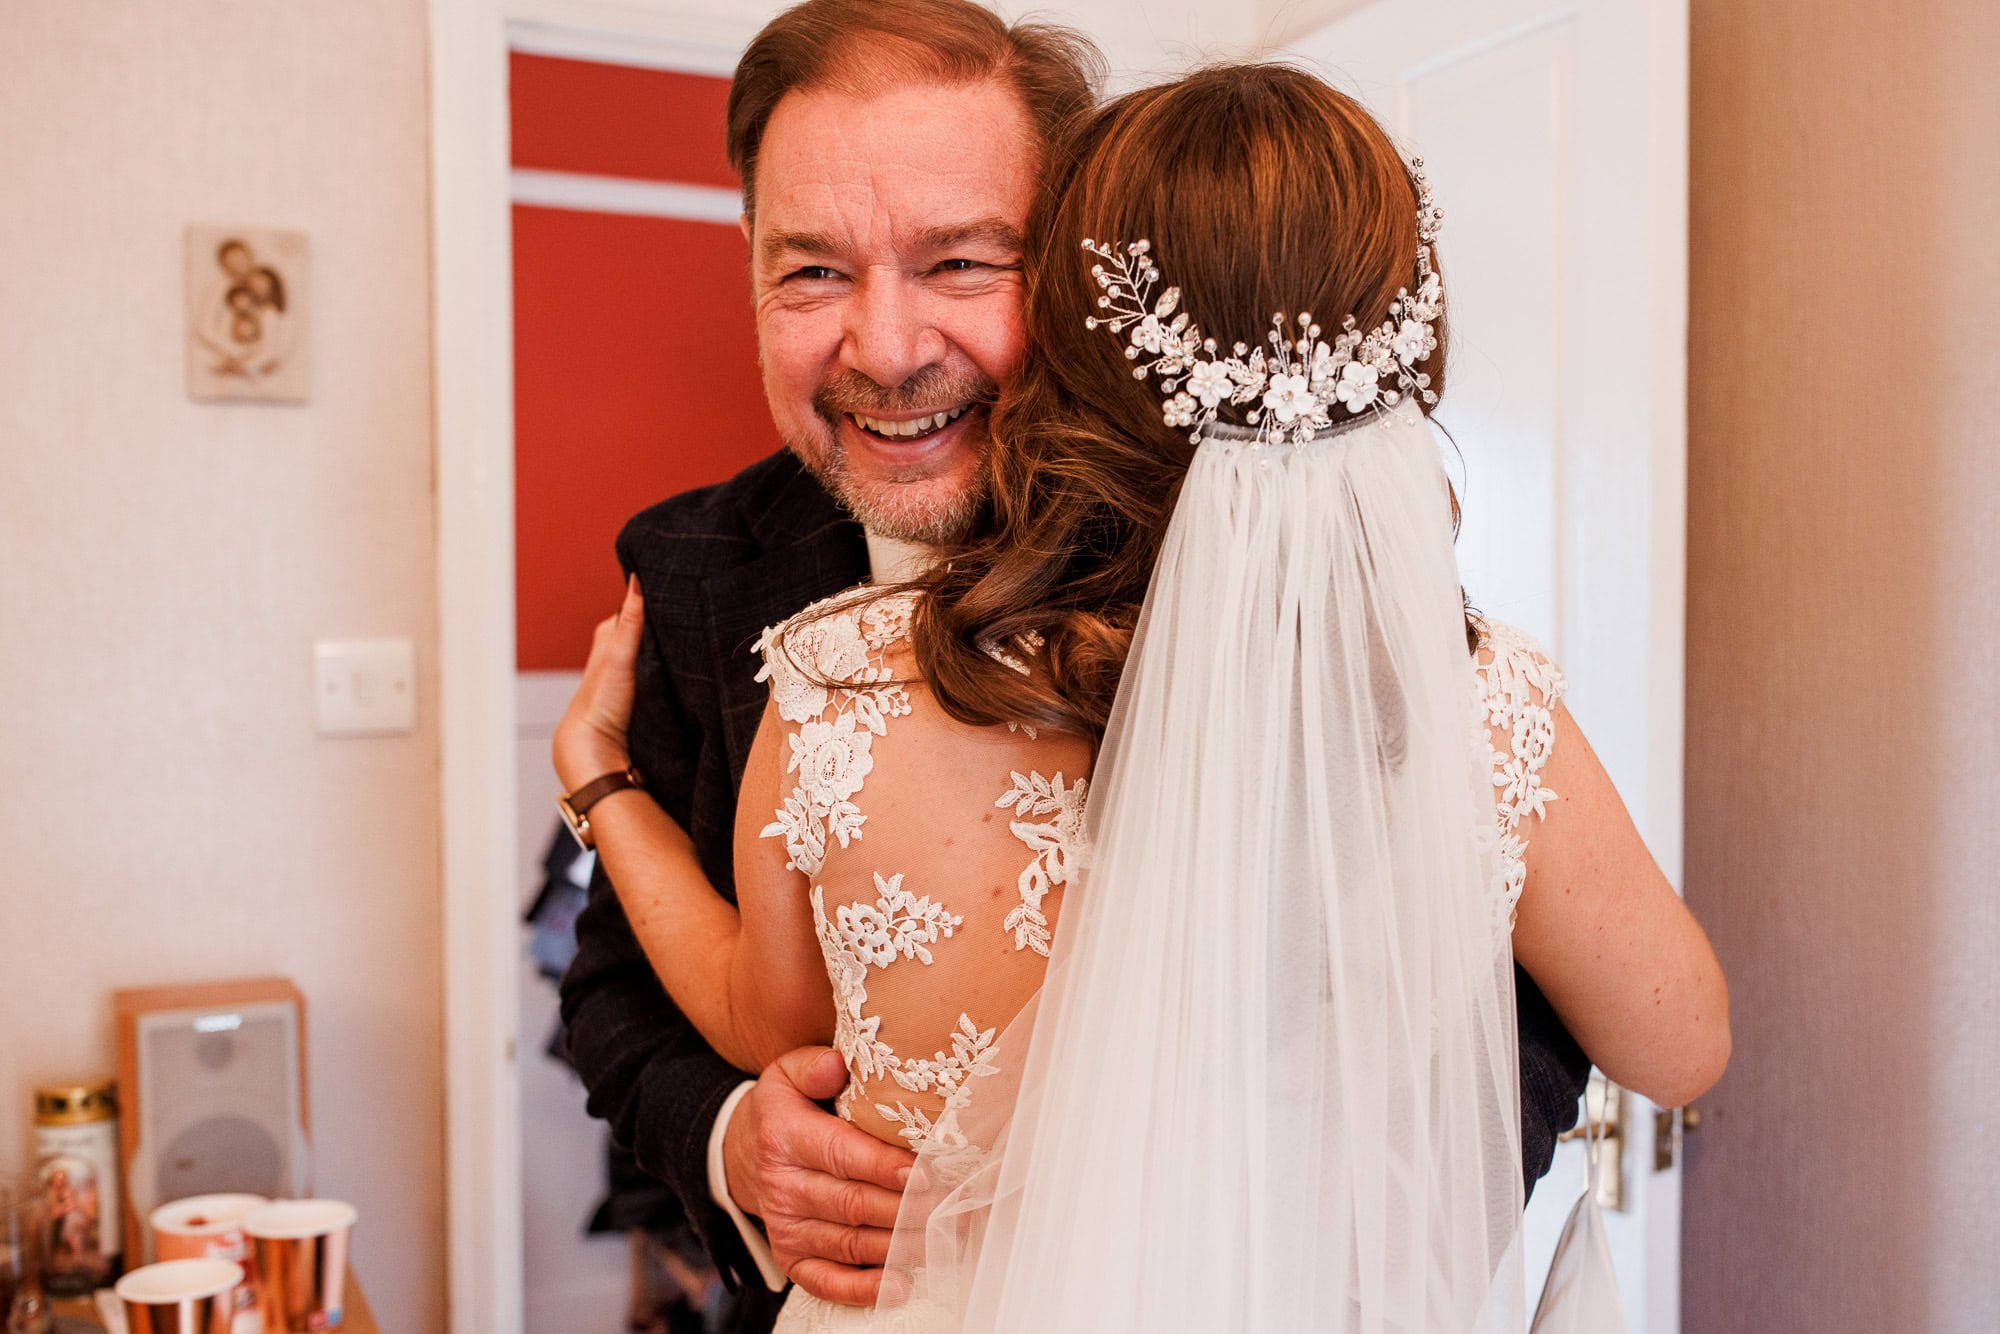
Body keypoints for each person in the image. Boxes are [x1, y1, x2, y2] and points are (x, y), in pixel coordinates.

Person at [556, 3, 1604, 1328]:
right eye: (811, 271)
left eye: (959, 262)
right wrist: (734, 1149)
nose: (887, 350)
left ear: (1079, 264)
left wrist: (1351, 1222)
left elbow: (1532, 989)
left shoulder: (1258, 539)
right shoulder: (689, 566)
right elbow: (615, 989)